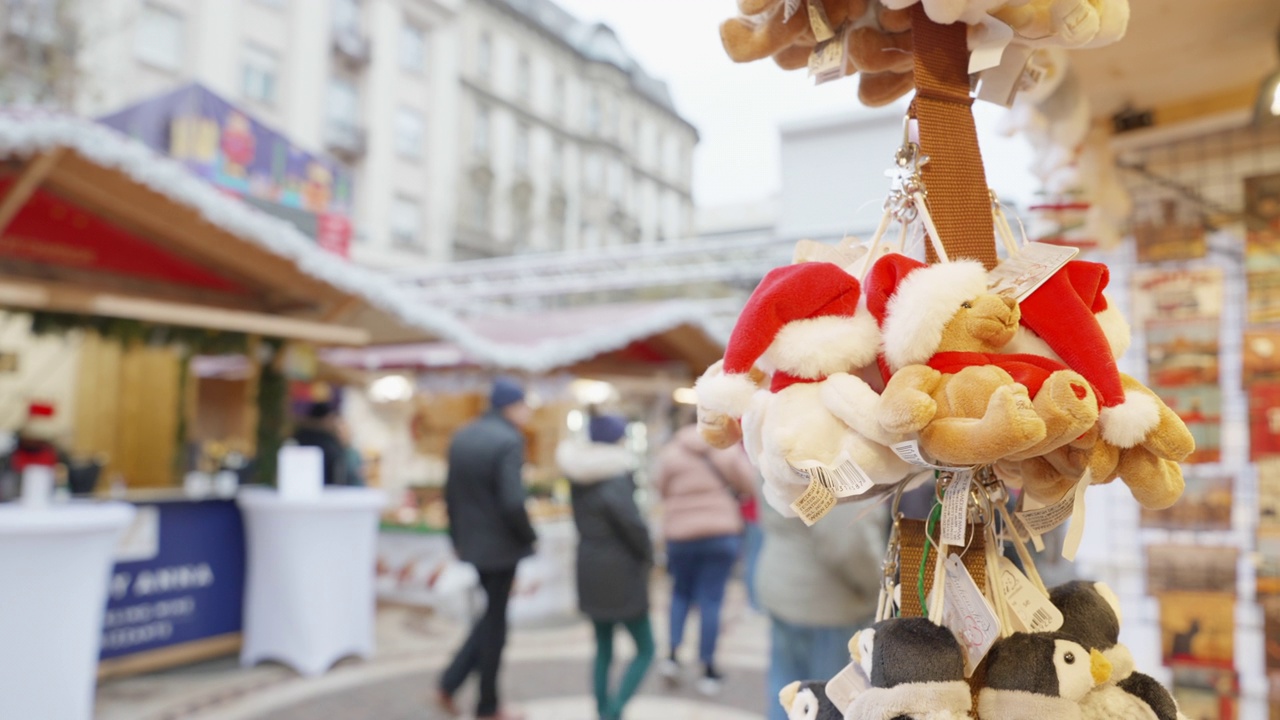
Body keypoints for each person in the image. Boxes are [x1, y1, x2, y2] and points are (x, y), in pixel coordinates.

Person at [437, 377, 537, 720]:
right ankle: (487, 705)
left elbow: (449, 494)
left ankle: (451, 683)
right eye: (524, 405)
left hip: (473, 545)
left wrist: (456, 539)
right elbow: (512, 502)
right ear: (511, 405)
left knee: (491, 617)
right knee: (495, 626)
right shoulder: (509, 440)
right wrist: (528, 536)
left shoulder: (463, 435)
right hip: (502, 548)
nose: (527, 412)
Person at [556, 413, 655, 720]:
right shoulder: (615, 474)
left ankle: (602, 711)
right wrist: (649, 554)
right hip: (620, 570)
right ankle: (612, 712)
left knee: (603, 648)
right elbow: (632, 525)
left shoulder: (579, 475)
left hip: (589, 565)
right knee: (646, 648)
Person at [758, 492, 886, 720]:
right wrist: (877, 586)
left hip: (785, 584)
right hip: (830, 602)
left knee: (788, 696)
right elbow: (847, 541)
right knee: (828, 704)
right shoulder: (831, 463)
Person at [652, 423, 756, 695]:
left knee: (680, 594)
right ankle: (707, 668)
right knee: (711, 599)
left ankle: (673, 656)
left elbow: (659, 488)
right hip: (720, 533)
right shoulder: (725, 449)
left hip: (680, 534)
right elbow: (748, 484)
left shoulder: (671, 452)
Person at [291, 402, 346, 485]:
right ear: (324, 419)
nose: (333, 422)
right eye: (330, 418)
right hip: (326, 488)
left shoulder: (299, 435)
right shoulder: (326, 440)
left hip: (300, 486)